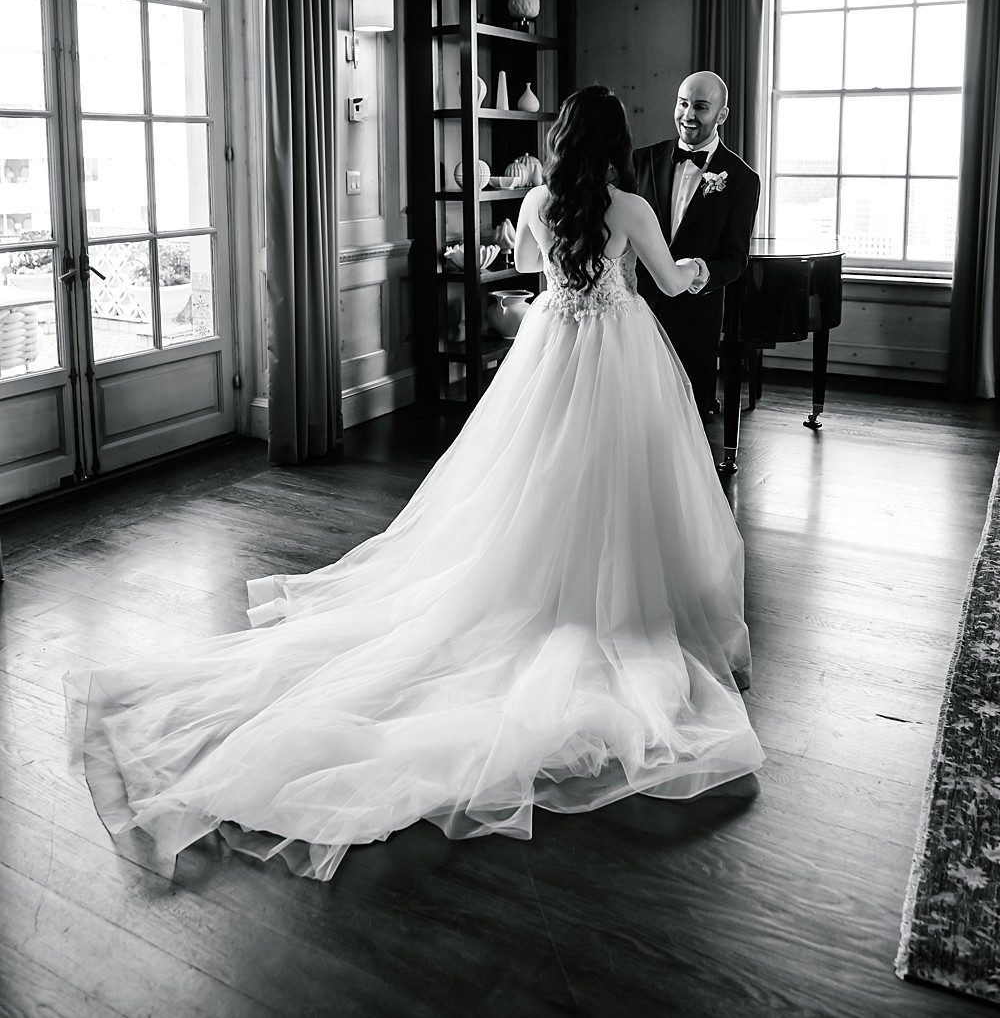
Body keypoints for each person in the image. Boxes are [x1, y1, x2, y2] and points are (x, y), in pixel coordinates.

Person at [65, 85, 763, 884]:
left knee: (528, 490)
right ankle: (611, 605)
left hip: (553, 352)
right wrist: (704, 266)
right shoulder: (631, 206)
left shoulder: (537, 199)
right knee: (621, 494)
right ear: (616, 139)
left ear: (561, 137)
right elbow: (670, 285)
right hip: (616, 355)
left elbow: (533, 271)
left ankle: (544, 594)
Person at [634, 72, 760, 419]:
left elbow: (735, 259)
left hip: (695, 319)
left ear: (721, 115)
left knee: (688, 419)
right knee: (632, 415)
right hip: (635, 311)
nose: (688, 115)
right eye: (683, 103)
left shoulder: (742, 179)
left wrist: (699, 272)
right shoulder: (639, 161)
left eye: (701, 107)